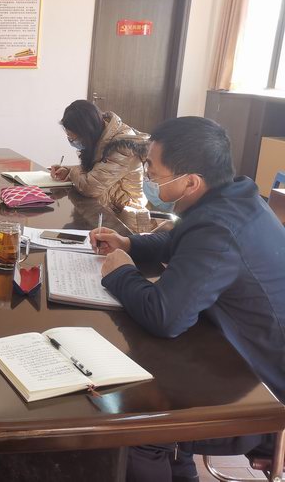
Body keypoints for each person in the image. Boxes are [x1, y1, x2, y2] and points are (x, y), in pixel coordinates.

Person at [91, 117, 285, 482]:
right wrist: (129, 244)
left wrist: (119, 273)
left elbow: (166, 317)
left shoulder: (219, 226)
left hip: (264, 394)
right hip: (234, 358)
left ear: (191, 181)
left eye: (153, 170)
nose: (147, 177)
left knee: (133, 424)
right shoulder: (233, 198)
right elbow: (180, 242)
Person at [50, 100, 148, 212]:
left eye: (73, 138)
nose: (72, 142)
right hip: (108, 208)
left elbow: (91, 187)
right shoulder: (100, 134)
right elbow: (99, 171)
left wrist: (72, 172)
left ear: (86, 133)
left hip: (125, 214)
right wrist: (67, 170)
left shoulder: (122, 146)